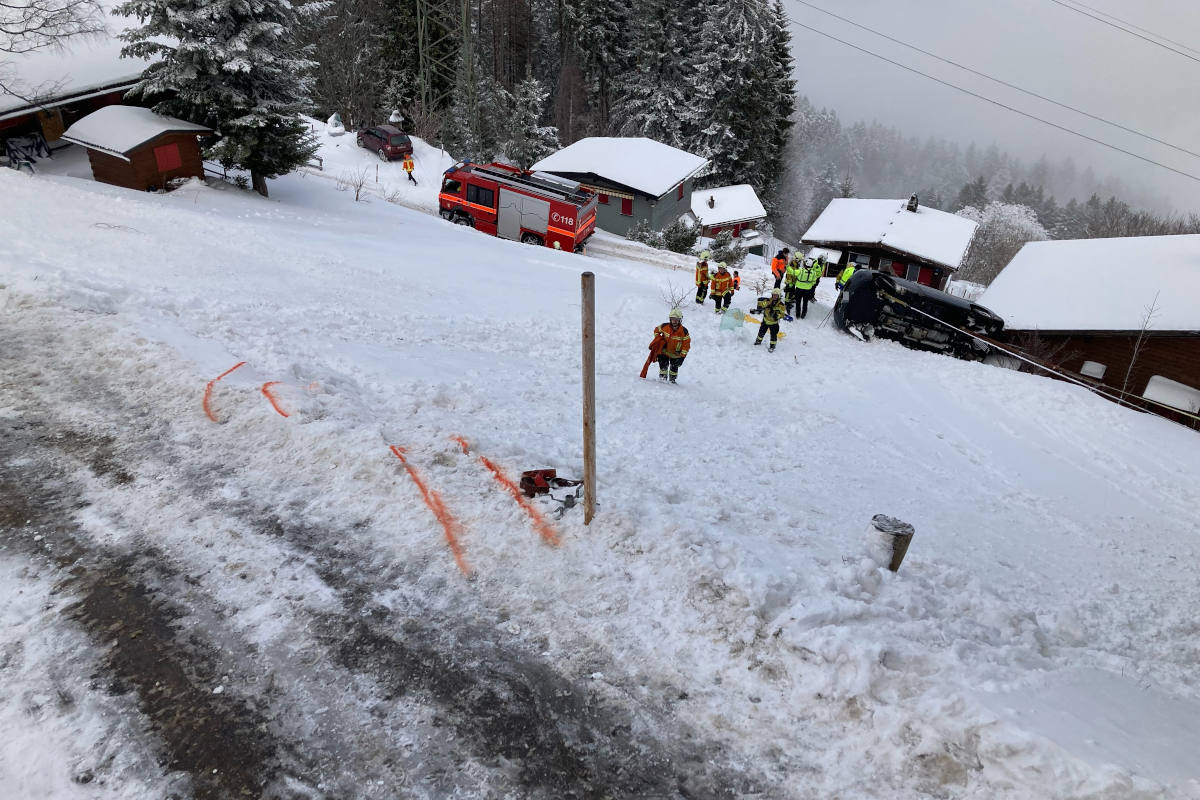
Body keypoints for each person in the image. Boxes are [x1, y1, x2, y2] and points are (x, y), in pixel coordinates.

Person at [651, 308, 691, 383]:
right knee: (663, 365)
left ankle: (672, 380)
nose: (674, 321)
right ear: (670, 319)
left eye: (676, 319)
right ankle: (662, 378)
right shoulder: (664, 326)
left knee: (674, 368)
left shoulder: (684, 331)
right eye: (673, 319)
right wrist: (658, 339)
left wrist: (682, 356)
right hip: (664, 351)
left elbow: (686, 344)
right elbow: (656, 330)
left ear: (680, 320)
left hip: (676, 354)